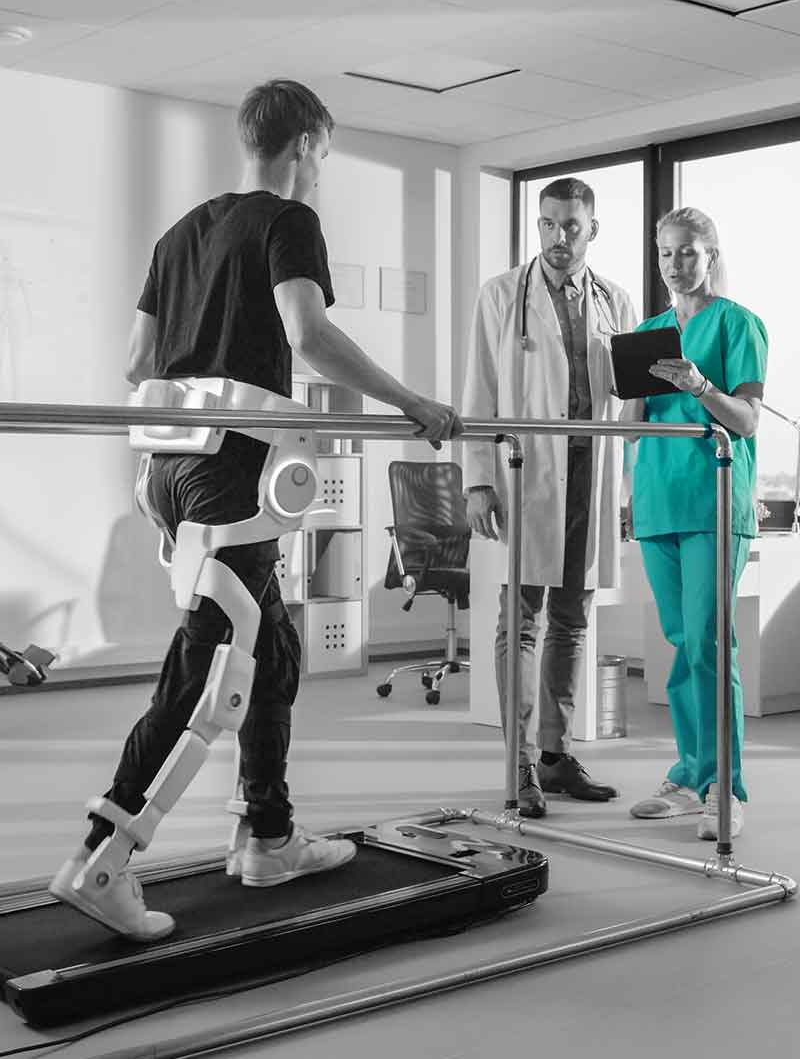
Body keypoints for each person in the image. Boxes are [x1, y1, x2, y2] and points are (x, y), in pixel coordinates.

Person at [50, 79, 462, 940]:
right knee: (210, 672)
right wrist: (411, 403)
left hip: (171, 471)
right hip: (232, 475)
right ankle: (102, 854)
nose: (323, 167)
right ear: (309, 143)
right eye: (325, 152)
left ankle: (267, 835)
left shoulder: (181, 232)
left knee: (271, 646)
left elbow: (137, 360)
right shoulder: (289, 221)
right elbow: (307, 334)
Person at [462, 177, 637, 818]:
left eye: (571, 226)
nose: (558, 238)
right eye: (547, 224)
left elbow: (632, 399)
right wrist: (478, 478)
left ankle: (558, 755)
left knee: (572, 619)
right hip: (527, 475)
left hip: (591, 475)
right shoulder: (503, 295)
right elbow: (478, 390)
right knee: (522, 620)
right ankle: (521, 764)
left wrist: (625, 487)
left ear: (593, 230)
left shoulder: (615, 300)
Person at [623, 206, 767, 840]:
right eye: (665, 254)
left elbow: (747, 419)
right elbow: (630, 430)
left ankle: (724, 789)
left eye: (687, 252)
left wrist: (700, 384)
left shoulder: (740, 324)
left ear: (710, 254)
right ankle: (687, 775)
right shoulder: (649, 330)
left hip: (713, 501)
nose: (675, 265)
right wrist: (624, 383)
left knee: (711, 642)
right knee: (684, 644)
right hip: (658, 502)